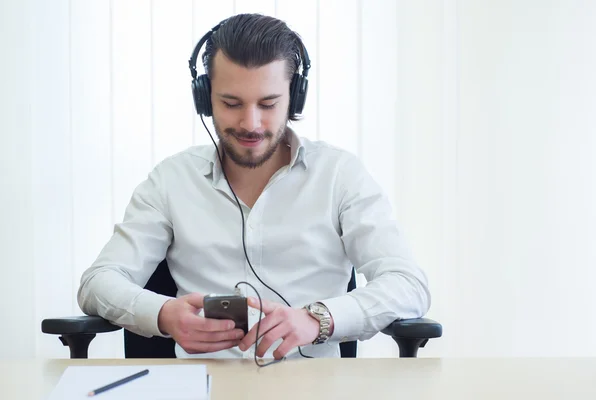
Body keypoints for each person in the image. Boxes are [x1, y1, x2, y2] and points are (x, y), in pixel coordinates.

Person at [77, 13, 431, 361]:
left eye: (268, 103)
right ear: (204, 98)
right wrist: (163, 313)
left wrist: (317, 319)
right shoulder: (171, 180)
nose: (251, 123)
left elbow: (407, 283)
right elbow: (98, 282)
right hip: (203, 387)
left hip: (311, 389)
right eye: (231, 104)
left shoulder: (340, 175)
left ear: (295, 96)